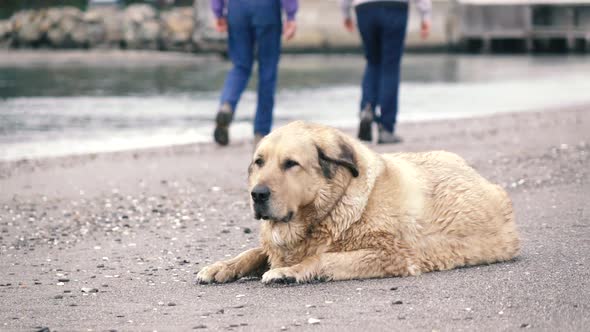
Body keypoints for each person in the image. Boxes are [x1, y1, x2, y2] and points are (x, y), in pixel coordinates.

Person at [341, 0, 431, 144]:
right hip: (395, 7)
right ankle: (386, 128)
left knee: (372, 61)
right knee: (390, 67)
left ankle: (367, 109)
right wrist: (425, 14)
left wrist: (345, 12)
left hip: (365, 8)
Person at [210, 0, 299, 146]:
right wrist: (291, 15)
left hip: (237, 8)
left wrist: (218, 11)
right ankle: (261, 133)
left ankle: (227, 105)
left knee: (240, 66)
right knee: (267, 70)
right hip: (267, 8)